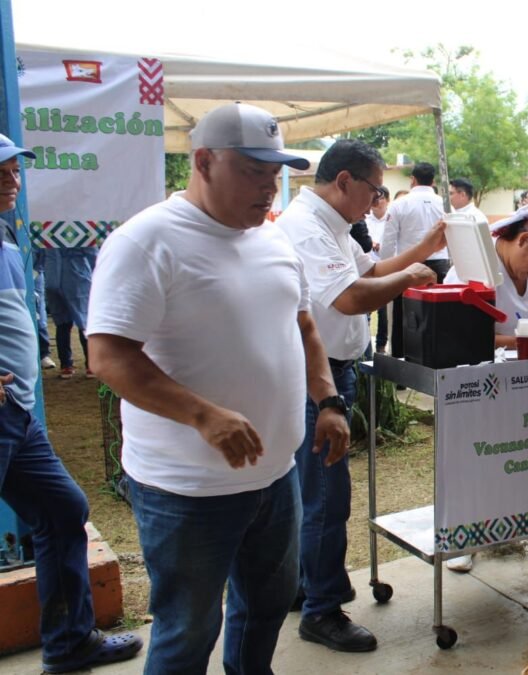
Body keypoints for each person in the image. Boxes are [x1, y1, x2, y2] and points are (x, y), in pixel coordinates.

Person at [87, 103, 348, 673]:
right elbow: (107, 356)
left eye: (275, 172)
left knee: (266, 609)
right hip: (187, 491)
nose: (268, 187)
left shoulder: (273, 238)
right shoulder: (147, 240)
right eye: (253, 170)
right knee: (188, 630)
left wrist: (327, 400)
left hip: (277, 477)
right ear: (203, 161)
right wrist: (203, 414)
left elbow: (302, 324)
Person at [276, 139, 440, 652]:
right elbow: (349, 297)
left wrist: (425, 248)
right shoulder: (306, 227)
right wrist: (411, 276)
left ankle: (309, 585)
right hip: (317, 378)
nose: (374, 203)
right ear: (344, 181)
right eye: (371, 191)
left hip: (336, 370)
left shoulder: (333, 225)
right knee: (327, 497)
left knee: (316, 491)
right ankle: (322, 609)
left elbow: (370, 272)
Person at [0, 133, 143, 674]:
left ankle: (69, 643)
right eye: (1, 172)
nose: (12, 179)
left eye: (14, 169)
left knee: (63, 509)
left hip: (14, 410)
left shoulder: (7, 234)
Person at [441, 211, 528, 572]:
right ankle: (463, 540)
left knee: (514, 457)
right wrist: (525, 339)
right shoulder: (472, 267)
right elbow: (463, 336)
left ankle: (508, 526)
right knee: (471, 459)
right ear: (522, 240)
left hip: (524, 382)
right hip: (476, 385)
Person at [383, 162, 449, 358]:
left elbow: (388, 242)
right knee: (438, 317)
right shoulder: (445, 204)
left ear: (412, 179)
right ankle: (436, 362)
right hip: (439, 264)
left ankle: (401, 367)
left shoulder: (399, 204)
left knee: (402, 317)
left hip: (408, 265)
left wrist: (386, 269)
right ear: (433, 181)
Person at [43, 247, 97, 379]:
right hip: (74, 277)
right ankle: (86, 365)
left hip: (56, 278)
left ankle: (69, 365)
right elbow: (94, 256)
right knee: (80, 323)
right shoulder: (79, 227)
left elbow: (35, 257)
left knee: (67, 324)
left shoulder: (44, 227)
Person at [352, 185, 391, 354]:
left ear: (387, 200)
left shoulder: (392, 218)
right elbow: (364, 243)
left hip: (384, 267)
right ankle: (365, 352)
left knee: (383, 313)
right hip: (365, 269)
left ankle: (380, 347)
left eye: (379, 198)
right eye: (372, 199)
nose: (374, 204)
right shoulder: (362, 220)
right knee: (364, 312)